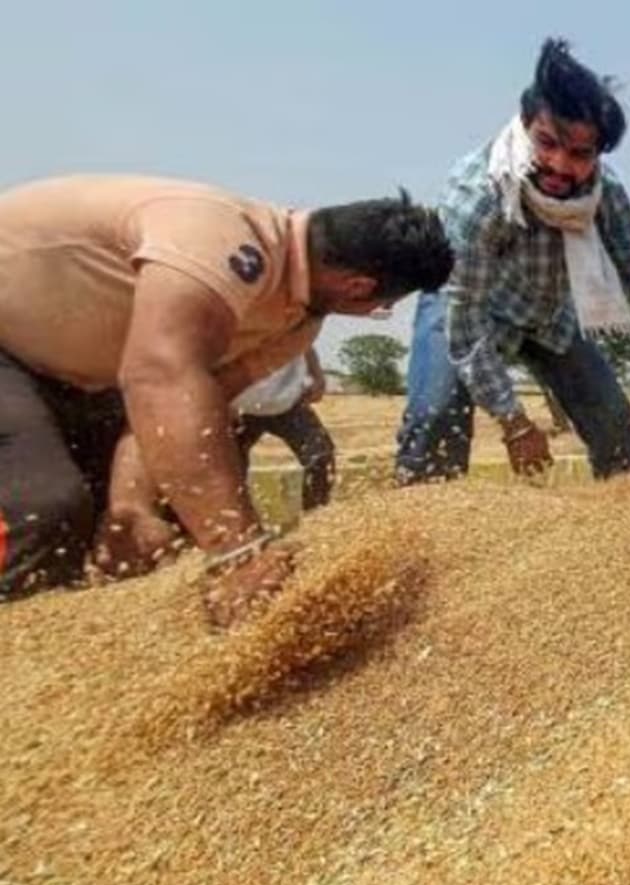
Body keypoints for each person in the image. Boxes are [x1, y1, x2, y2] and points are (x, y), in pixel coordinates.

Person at [0, 175, 452, 623]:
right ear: (358, 287)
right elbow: (161, 377)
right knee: (48, 508)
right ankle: (23, 658)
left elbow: (195, 405)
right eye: (382, 305)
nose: (375, 314)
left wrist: (130, 504)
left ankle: (68, 654)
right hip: (12, 349)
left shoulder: (296, 323)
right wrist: (239, 551)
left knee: (151, 524)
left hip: (83, 378)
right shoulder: (218, 241)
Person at [394, 38, 630, 484]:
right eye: (546, 143)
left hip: (547, 316)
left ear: (599, 155)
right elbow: (465, 326)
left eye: (580, 154)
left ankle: (626, 532)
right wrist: (515, 422)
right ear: (526, 125)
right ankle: (415, 534)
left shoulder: (607, 194)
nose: (559, 165)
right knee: (433, 420)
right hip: (468, 308)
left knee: (616, 425)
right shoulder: (477, 197)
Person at [233, 350, 336, 512]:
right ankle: (235, 522)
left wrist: (317, 375)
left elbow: (306, 344)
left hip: (289, 402)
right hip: (241, 404)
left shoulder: (292, 326)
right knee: (230, 466)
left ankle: (316, 515)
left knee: (320, 455)